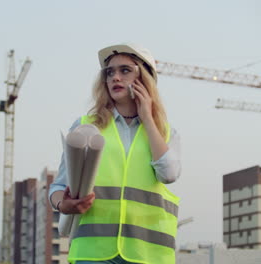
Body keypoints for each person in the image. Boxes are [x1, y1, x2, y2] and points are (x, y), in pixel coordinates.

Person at [49, 43, 181, 264]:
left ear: (145, 79)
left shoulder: (166, 133)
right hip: (93, 253)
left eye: (125, 70)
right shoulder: (86, 127)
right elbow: (58, 187)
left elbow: (168, 174)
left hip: (148, 255)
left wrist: (148, 119)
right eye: (110, 72)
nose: (115, 78)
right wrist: (64, 204)